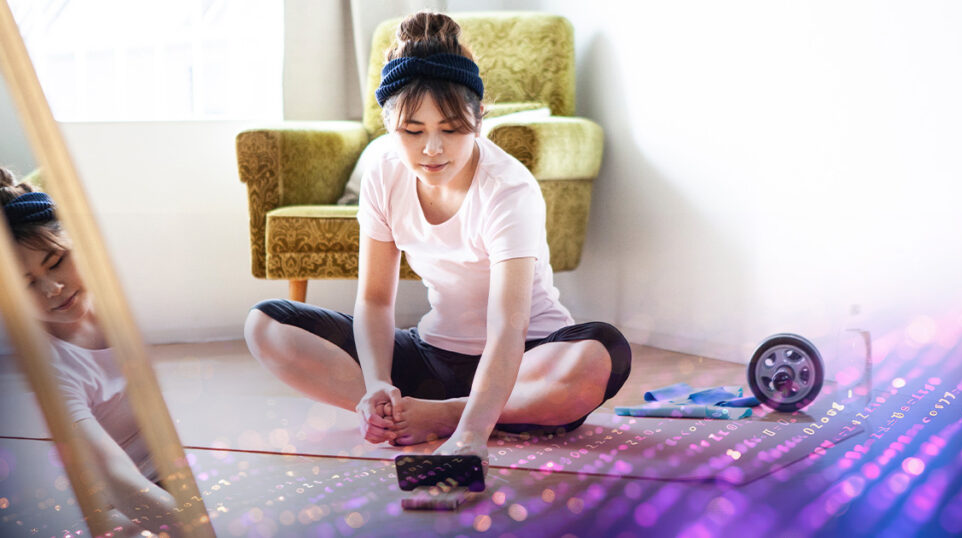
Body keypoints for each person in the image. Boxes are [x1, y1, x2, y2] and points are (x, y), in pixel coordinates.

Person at [244, 11, 631, 463]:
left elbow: (509, 324)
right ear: (390, 126)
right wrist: (376, 384)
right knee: (266, 325)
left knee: (601, 354)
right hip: (431, 357)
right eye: (413, 131)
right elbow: (373, 302)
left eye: (450, 130)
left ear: (479, 119)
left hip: (526, 361)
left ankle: (448, 414)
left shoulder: (508, 188)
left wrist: (469, 433)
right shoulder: (383, 174)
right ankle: (399, 411)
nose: (432, 149)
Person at [1, 167, 177, 533]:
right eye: (27, 284)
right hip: (113, 501)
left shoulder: (120, 301)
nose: (53, 288)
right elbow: (117, 476)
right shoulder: (50, 368)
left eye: (56, 262)